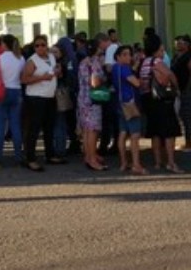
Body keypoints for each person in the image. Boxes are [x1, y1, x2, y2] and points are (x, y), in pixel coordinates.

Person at [140, 34, 183, 173]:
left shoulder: (144, 62)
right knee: (169, 131)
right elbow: (170, 75)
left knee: (155, 132)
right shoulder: (157, 62)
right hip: (162, 100)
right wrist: (176, 88)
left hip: (148, 99)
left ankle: (158, 162)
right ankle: (170, 162)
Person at [20, 35, 62, 172]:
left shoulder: (51, 57)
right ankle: (30, 158)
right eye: (37, 45)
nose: (40, 48)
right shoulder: (32, 61)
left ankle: (50, 154)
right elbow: (24, 79)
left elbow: (55, 72)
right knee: (34, 129)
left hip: (50, 96)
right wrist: (42, 77)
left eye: (43, 45)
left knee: (49, 126)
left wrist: (57, 72)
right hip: (35, 97)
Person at [111, 45, 145, 175]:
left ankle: (124, 162)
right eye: (124, 54)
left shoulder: (115, 68)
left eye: (129, 54)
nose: (128, 57)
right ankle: (136, 164)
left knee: (123, 133)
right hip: (130, 103)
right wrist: (140, 81)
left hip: (119, 104)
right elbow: (136, 83)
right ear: (118, 56)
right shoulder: (125, 69)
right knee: (135, 135)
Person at [0, 34, 25, 168]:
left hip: (1, 91)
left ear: (4, 44)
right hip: (16, 91)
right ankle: (18, 156)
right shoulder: (21, 58)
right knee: (15, 125)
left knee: (0, 126)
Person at [78, 33, 108, 172]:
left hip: (83, 98)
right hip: (93, 100)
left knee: (86, 130)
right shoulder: (95, 62)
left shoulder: (83, 62)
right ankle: (92, 159)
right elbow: (95, 82)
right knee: (93, 130)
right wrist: (104, 80)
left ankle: (88, 156)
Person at [171, 35, 191, 151]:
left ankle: (189, 142)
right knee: (180, 115)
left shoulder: (189, 57)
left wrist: (187, 88)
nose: (177, 45)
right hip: (176, 90)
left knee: (187, 116)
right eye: (176, 42)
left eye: (180, 43)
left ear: (187, 45)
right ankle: (185, 140)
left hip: (186, 90)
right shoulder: (175, 57)